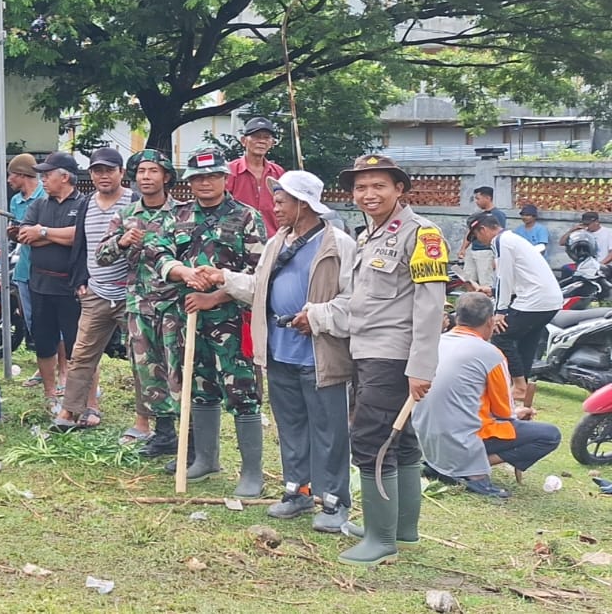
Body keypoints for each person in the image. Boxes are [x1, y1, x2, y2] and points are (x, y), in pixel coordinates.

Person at [295, 154, 448, 566]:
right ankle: (401, 529)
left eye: (378, 185)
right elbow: (362, 303)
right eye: (360, 187)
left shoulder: (423, 234)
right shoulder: (368, 237)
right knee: (401, 441)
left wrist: (421, 367)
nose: (368, 194)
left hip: (393, 356)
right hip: (366, 351)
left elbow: (430, 307)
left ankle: (381, 540)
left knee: (371, 441)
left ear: (399, 189)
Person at [205, 171, 355, 532]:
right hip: (280, 352)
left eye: (281, 201)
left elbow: (355, 301)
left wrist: (316, 317)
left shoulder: (338, 245)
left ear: (303, 204)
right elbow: (259, 287)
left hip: (320, 356)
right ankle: (297, 490)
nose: (275, 207)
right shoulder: (277, 242)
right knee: (290, 426)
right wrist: (224, 277)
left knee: (329, 430)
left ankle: (334, 500)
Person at [145, 148, 266, 498]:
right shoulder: (177, 215)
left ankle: (252, 472)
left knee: (242, 393)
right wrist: (183, 273)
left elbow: (258, 273)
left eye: (212, 176)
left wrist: (216, 296)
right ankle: (206, 459)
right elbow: (158, 252)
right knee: (200, 387)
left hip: (232, 320)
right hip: (190, 317)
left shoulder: (246, 216)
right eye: (198, 178)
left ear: (225, 178)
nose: (205, 183)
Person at [415, 293, 561, 498]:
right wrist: (518, 413)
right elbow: (504, 412)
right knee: (550, 435)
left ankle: (447, 463)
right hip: (462, 437)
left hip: (422, 436)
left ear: (458, 317)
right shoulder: (491, 354)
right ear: (490, 322)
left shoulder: (435, 342)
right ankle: (467, 468)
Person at [93, 150, 183, 457]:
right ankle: (164, 434)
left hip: (174, 306)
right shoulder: (127, 215)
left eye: (153, 171)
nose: (146, 177)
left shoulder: (183, 213)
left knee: (179, 368)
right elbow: (101, 256)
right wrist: (121, 242)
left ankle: (192, 438)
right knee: (147, 370)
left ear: (166, 176)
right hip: (140, 304)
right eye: (141, 171)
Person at [53, 147, 135, 432]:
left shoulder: (135, 201)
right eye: (98, 171)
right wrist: (80, 281)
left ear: (122, 173)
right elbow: (81, 245)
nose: (104, 176)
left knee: (141, 358)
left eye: (109, 170)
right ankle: (69, 412)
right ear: (90, 174)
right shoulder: (86, 204)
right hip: (96, 292)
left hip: (130, 295)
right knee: (82, 355)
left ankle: (145, 421)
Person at [466, 211, 563, 410]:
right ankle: (522, 385)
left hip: (535, 299)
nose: (478, 241)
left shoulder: (500, 241)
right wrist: (492, 290)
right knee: (526, 342)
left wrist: (500, 311)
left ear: (482, 229)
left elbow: (504, 276)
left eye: (476, 236)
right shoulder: (513, 239)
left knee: (500, 335)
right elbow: (517, 277)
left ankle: (518, 386)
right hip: (549, 300)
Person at [17, 152, 85, 413]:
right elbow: (25, 235)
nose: (43, 180)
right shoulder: (39, 205)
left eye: (47, 175)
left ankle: (79, 398)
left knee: (77, 345)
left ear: (65, 177)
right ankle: (49, 393)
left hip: (72, 287)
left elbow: (79, 237)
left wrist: (43, 232)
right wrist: (55, 236)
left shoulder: (83, 203)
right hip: (40, 284)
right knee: (44, 342)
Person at [6, 152, 44, 364]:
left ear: (21, 174)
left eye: (11, 174)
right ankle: (45, 366)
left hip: (45, 269)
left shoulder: (45, 196)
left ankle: (63, 367)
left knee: (52, 324)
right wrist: (14, 233)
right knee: (32, 321)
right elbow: (18, 236)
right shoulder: (15, 201)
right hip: (23, 268)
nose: (8, 180)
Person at [227, 117, 286, 236]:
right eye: (256, 137)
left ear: (272, 143)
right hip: (237, 239)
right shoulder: (229, 171)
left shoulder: (279, 172)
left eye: (266, 137)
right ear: (243, 141)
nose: (261, 141)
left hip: (273, 239)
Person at [458, 186, 506, 289]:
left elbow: (499, 236)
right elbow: (470, 232)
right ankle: (471, 298)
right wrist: (463, 248)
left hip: (486, 252)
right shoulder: (479, 215)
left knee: (486, 282)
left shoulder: (497, 215)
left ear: (487, 198)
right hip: (473, 251)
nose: (476, 202)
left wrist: (496, 257)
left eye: (478, 198)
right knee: (468, 280)